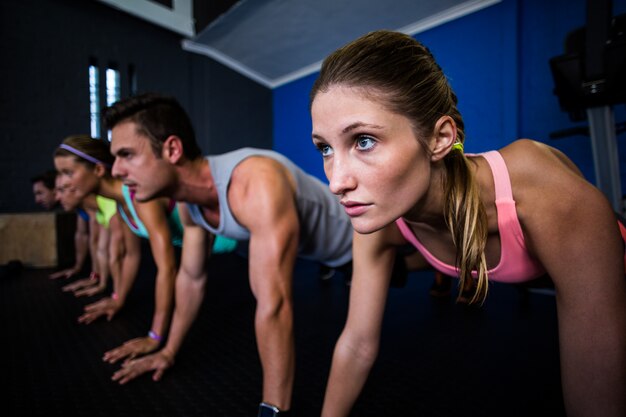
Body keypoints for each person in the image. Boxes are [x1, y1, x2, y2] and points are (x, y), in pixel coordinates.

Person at [309, 30, 626, 417]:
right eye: (325, 148)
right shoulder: (380, 216)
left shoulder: (538, 190)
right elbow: (357, 344)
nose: (337, 181)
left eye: (363, 141)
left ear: (441, 138)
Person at [101, 92, 353, 416]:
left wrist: (271, 411)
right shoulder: (190, 208)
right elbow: (191, 278)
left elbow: (273, 305)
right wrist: (167, 349)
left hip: (366, 239)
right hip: (328, 256)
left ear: (172, 149)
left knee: (413, 266)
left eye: (126, 155)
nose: (116, 170)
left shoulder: (255, 181)